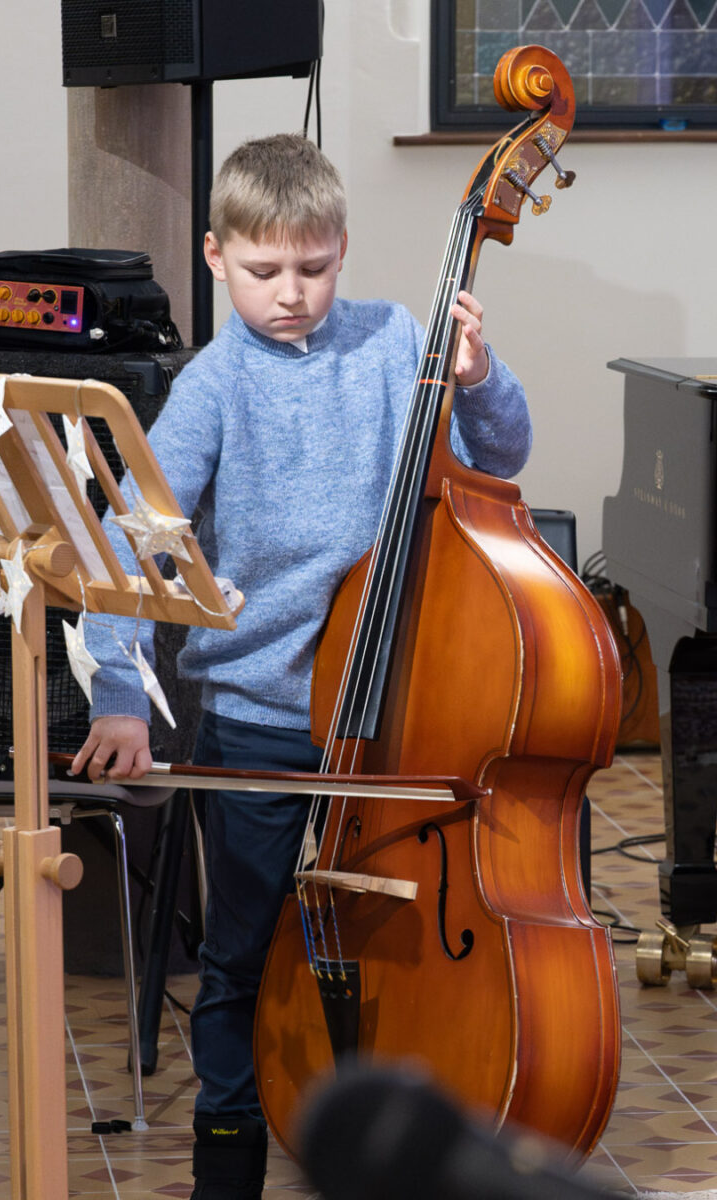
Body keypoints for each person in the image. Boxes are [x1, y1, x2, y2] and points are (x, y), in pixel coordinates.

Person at [72, 132, 532, 1200]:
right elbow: (130, 545)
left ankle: (406, 1140)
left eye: (314, 268)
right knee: (239, 956)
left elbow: (500, 458)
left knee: (402, 950)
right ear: (216, 256)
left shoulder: (395, 341)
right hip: (263, 720)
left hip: (398, 721)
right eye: (265, 270)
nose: (292, 294)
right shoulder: (213, 385)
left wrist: (480, 378)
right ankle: (227, 1166)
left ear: (342, 250)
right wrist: (120, 693)